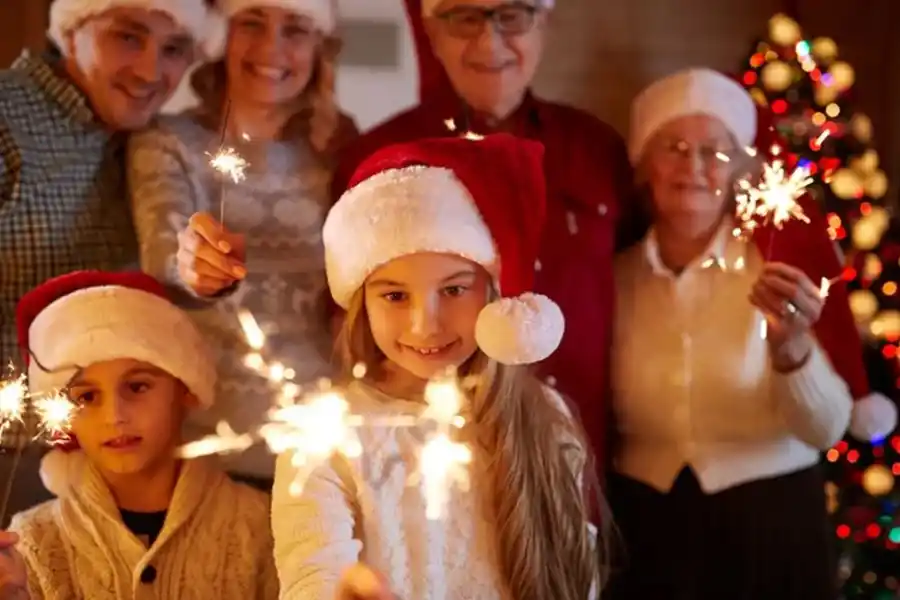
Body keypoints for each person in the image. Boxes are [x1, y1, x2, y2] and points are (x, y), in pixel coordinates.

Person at [606, 67, 897, 600]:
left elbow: (826, 430)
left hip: (774, 524)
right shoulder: (612, 277)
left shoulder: (778, 270)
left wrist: (792, 351)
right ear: (644, 164)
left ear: (740, 169)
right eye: (673, 147)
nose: (693, 167)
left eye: (714, 151)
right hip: (646, 527)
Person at [271, 133, 603, 600]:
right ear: (360, 302)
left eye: (453, 290)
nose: (425, 325)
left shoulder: (547, 418)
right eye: (394, 295)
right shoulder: (325, 436)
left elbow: (576, 577)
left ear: (494, 293)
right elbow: (312, 576)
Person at [332, 0, 639, 470]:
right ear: (432, 32)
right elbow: (348, 320)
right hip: (435, 468)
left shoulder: (597, 149)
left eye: (512, 15)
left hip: (587, 459)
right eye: (464, 16)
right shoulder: (378, 156)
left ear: (543, 24)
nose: (489, 41)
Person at [128, 0, 358, 487]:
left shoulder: (340, 149)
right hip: (205, 449)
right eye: (251, 23)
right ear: (220, 39)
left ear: (320, 47)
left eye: (295, 29)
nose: (271, 47)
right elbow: (164, 253)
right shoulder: (169, 141)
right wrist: (196, 264)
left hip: (322, 450)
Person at [0, 0, 211, 523]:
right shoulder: (6, 117)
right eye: (127, 38)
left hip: (102, 467)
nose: (149, 71)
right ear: (72, 32)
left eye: (174, 49)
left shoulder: (152, 142)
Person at [0, 270, 279, 600]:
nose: (115, 416)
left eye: (137, 387)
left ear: (186, 388)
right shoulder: (30, 541)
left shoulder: (263, 526)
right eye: (87, 397)